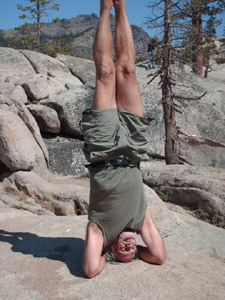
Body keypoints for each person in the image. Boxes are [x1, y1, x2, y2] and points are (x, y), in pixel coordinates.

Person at [80, 0, 166, 278]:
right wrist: (139, 252)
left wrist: (105, 255)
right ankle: (122, 7)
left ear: (113, 248)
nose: (130, 247)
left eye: (124, 251)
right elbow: (159, 256)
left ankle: (106, 8)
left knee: (105, 74)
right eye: (132, 250)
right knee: (128, 71)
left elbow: (91, 269)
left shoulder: (99, 230)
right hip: (134, 150)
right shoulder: (141, 222)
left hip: (103, 150)